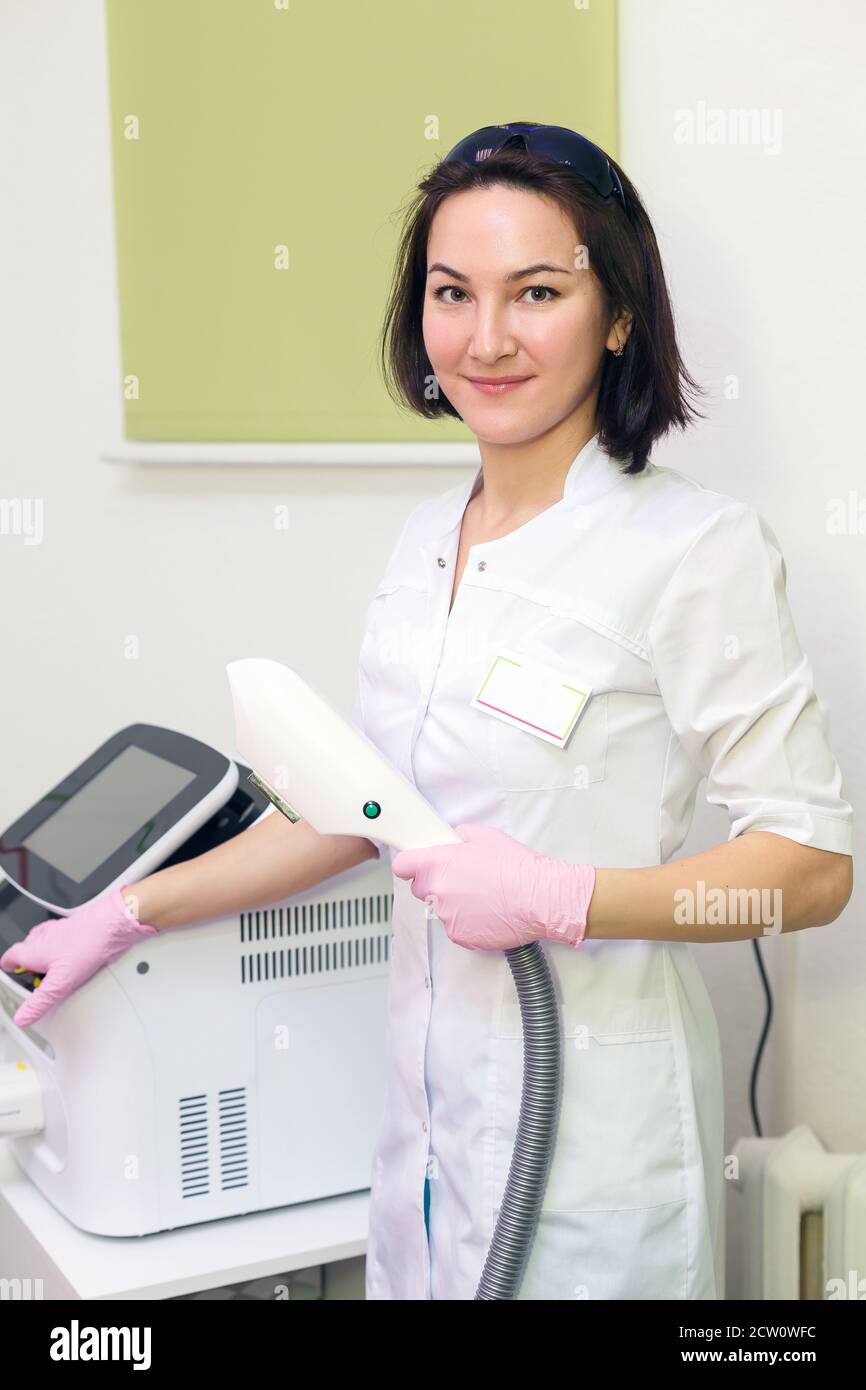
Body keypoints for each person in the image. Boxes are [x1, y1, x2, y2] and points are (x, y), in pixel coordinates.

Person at [2, 124, 853, 1302]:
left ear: (615, 316)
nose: (486, 337)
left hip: (598, 1149)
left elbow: (807, 870)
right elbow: (358, 813)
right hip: (423, 1137)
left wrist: (566, 898)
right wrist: (128, 910)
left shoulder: (690, 551)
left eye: (537, 292)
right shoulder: (422, 543)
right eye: (452, 293)